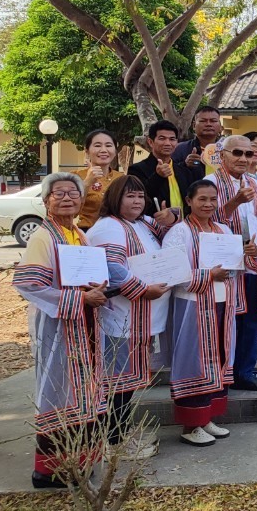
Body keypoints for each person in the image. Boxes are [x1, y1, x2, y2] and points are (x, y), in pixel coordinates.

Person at [15, 173, 109, 488]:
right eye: (59, 193)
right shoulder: (44, 236)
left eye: (73, 193)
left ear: (82, 201)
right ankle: (48, 469)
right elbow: (28, 284)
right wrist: (80, 297)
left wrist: (97, 287)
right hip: (59, 325)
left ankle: (79, 459)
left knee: (82, 391)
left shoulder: (78, 234)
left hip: (84, 325)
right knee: (58, 391)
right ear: (46, 201)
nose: (67, 198)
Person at [164, 179, 257, 447]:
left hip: (222, 302)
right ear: (188, 201)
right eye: (201, 199)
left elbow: (237, 265)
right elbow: (173, 273)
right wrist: (210, 275)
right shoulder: (179, 233)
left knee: (218, 357)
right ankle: (190, 423)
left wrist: (248, 253)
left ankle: (206, 417)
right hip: (193, 304)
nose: (207, 204)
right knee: (193, 361)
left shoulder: (221, 228)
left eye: (212, 199)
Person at [87, 175, 172, 458]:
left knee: (130, 379)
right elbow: (112, 268)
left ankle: (119, 435)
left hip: (143, 316)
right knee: (117, 382)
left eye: (140, 196)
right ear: (114, 198)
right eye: (129, 196)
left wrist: (171, 216)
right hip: (122, 316)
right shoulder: (109, 227)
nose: (136, 201)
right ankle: (113, 442)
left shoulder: (142, 223)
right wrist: (143, 290)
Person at [209, 135, 257, 391]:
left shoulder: (252, 182)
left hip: (253, 260)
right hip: (225, 267)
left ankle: (245, 372)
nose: (243, 159)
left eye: (248, 154)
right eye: (237, 153)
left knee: (252, 319)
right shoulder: (210, 183)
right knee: (228, 321)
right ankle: (223, 375)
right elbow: (205, 220)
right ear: (222, 155)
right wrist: (235, 201)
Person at [127, 119, 193, 225]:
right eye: (162, 138)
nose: (167, 143)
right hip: (151, 228)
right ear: (150, 142)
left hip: (182, 229)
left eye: (172, 139)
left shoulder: (184, 171)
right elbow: (138, 199)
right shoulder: (137, 169)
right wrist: (158, 177)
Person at [72, 129, 122, 229]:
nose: (103, 150)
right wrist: (86, 183)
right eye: (97, 145)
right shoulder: (75, 177)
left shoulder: (121, 178)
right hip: (88, 233)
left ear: (115, 151)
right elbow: (72, 213)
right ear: (87, 150)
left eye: (108, 145)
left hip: (117, 233)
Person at [174, 105, 224, 175]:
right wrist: (184, 165)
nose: (208, 124)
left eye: (213, 121)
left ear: (220, 127)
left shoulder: (228, 150)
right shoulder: (179, 149)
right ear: (194, 126)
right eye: (203, 121)